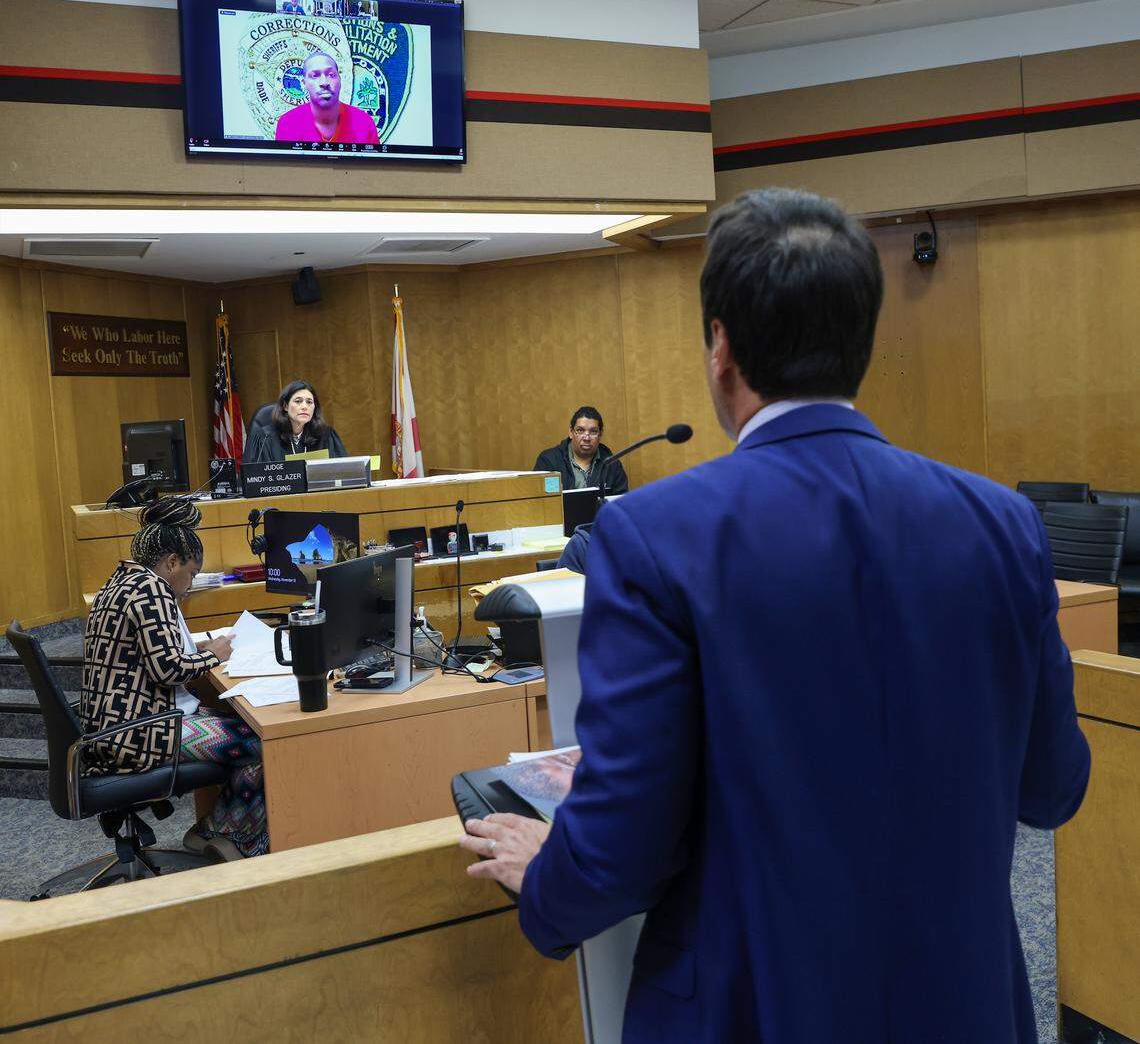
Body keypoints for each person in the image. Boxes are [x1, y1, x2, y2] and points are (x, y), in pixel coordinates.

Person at [460, 188, 1090, 1043]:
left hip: (749, 1012)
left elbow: (621, 848)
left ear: (721, 347)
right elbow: (1053, 787)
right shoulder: (1002, 523)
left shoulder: (651, 537)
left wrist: (547, 884)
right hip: (963, 1004)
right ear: (862, 341)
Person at [82, 496, 269, 859]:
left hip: (114, 727)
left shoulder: (121, 580)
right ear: (171, 562)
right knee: (260, 740)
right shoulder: (152, 589)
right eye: (192, 574)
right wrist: (212, 654)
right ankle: (233, 838)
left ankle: (215, 832)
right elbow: (168, 669)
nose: (188, 584)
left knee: (243, 726)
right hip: (142, 732)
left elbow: (153, 652)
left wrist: (200, 651)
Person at [274, 52, 379, 145]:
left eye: (331, 75)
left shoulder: (364, 123)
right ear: (304, 83)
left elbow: (373, 166)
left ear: (340, 79)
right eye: (315, 75)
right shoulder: (288, 124)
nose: (324, 83)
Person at [245, 380, 347, 462]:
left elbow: (344, 472)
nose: (304, 407)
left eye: (309, 402)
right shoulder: (265, 438)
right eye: (298, 401)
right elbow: (254, 479)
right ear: (285, 406)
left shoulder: (326, 436)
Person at [533, 406, 628, 493]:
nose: (586, 438)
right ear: (571, 432)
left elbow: (621, 503)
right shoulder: (549, 461)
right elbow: (538, 500)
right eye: (580, 430)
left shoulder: (612, 464)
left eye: (593, 431)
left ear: (600, 434)